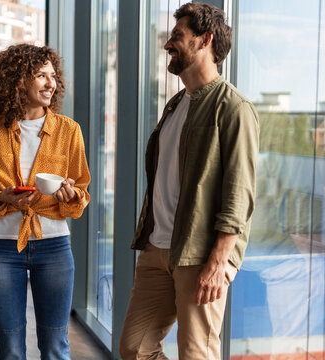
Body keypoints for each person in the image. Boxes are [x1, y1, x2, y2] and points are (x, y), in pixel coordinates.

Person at [119, 3, 259, 360]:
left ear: (205, 41)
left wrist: (218, 263)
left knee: (197, 353)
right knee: (135, 348)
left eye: (178, 36)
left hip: (199, 255)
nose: (168, 44)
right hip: (157, 247)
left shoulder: (233, 107)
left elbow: (239, 193)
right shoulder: (177, 103)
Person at [0, 44, 90, 360]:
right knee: (9, 346)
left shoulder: (68, 130)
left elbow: (82, 192)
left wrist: (70, 194)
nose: (51, 83)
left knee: (55, 346)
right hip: (2, 249)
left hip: (54, 248)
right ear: (18, 80)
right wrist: (0, 198)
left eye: (53, 76)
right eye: (40, 75)